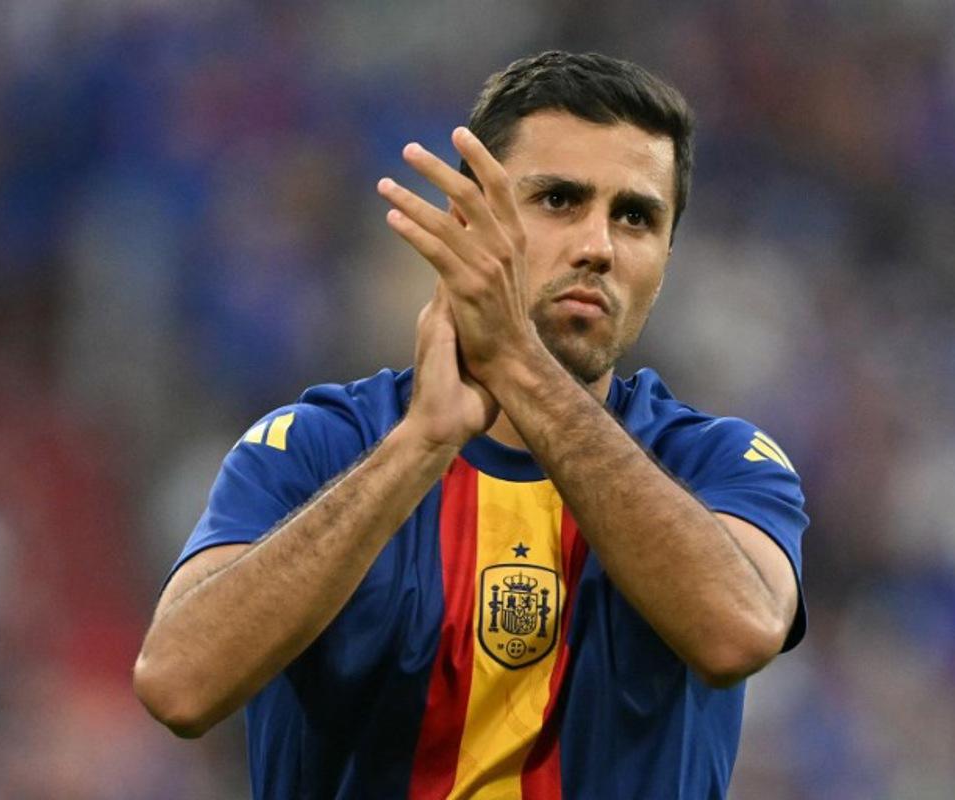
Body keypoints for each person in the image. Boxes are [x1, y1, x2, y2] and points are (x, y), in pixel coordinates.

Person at [134, 50, 809, 799]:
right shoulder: (319, 447)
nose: (598, 246)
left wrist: (517, 364)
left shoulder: (719, 462)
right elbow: (177, 684)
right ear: (467, 223)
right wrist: (420, 446)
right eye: (559, 200)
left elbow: (738, 632)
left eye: (636, 217)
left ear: (668, 253)